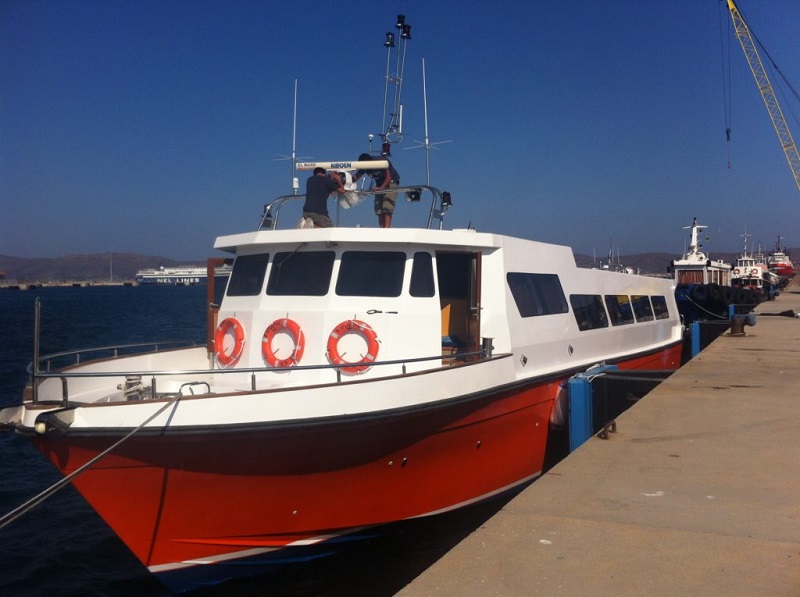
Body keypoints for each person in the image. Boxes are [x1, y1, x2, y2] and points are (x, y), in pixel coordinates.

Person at [353, 153, 400, 228]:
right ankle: (381, 228)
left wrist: (381, 188)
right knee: (378, 208)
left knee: (387, 205)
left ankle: (387, 229)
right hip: (379, 184)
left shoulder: (381, 161)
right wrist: (343, 181)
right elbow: (356, 177)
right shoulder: (364, 166)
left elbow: (389, 177)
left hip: (391, 182)